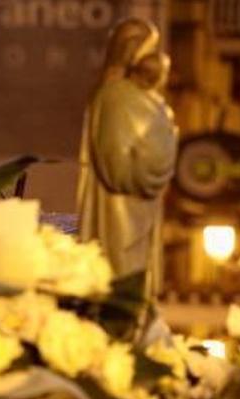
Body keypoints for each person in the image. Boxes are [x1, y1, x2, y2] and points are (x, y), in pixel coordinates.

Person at [77, 18, 177, 297]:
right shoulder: (117, 98)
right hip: (120, 212)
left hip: (138, 210)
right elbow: (118, 169)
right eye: (147, 49)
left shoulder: (138, 99)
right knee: (119, 280)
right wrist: (159, 157)